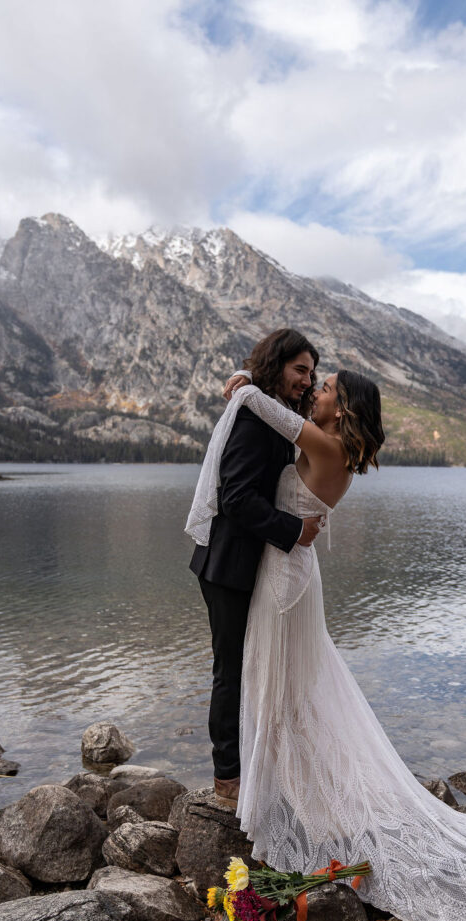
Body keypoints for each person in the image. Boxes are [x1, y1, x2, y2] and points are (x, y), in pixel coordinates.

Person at [188, 367, 466, 921]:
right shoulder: (337, 447)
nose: (313, 391)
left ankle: (277, 805)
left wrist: (245, 385)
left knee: (279, 685)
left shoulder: (326, 443)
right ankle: (293, 794)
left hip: (284, 582)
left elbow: (273, 414)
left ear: (340, 409)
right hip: (290, 570)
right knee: (289, 687)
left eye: (323, 389)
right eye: (312, 384)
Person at [186, 328, 324, 809]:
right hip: (228, 565)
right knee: (230, 670)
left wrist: (244, 377)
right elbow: (237, 497)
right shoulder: (253, 416)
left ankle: (256, 764)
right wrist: (293, 530)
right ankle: (228, 781)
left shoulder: (272, 411)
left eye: (311, 373)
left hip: (254, 563)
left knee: (253, 667)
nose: (307, 381)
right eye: (299, 370)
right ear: (277, 366)